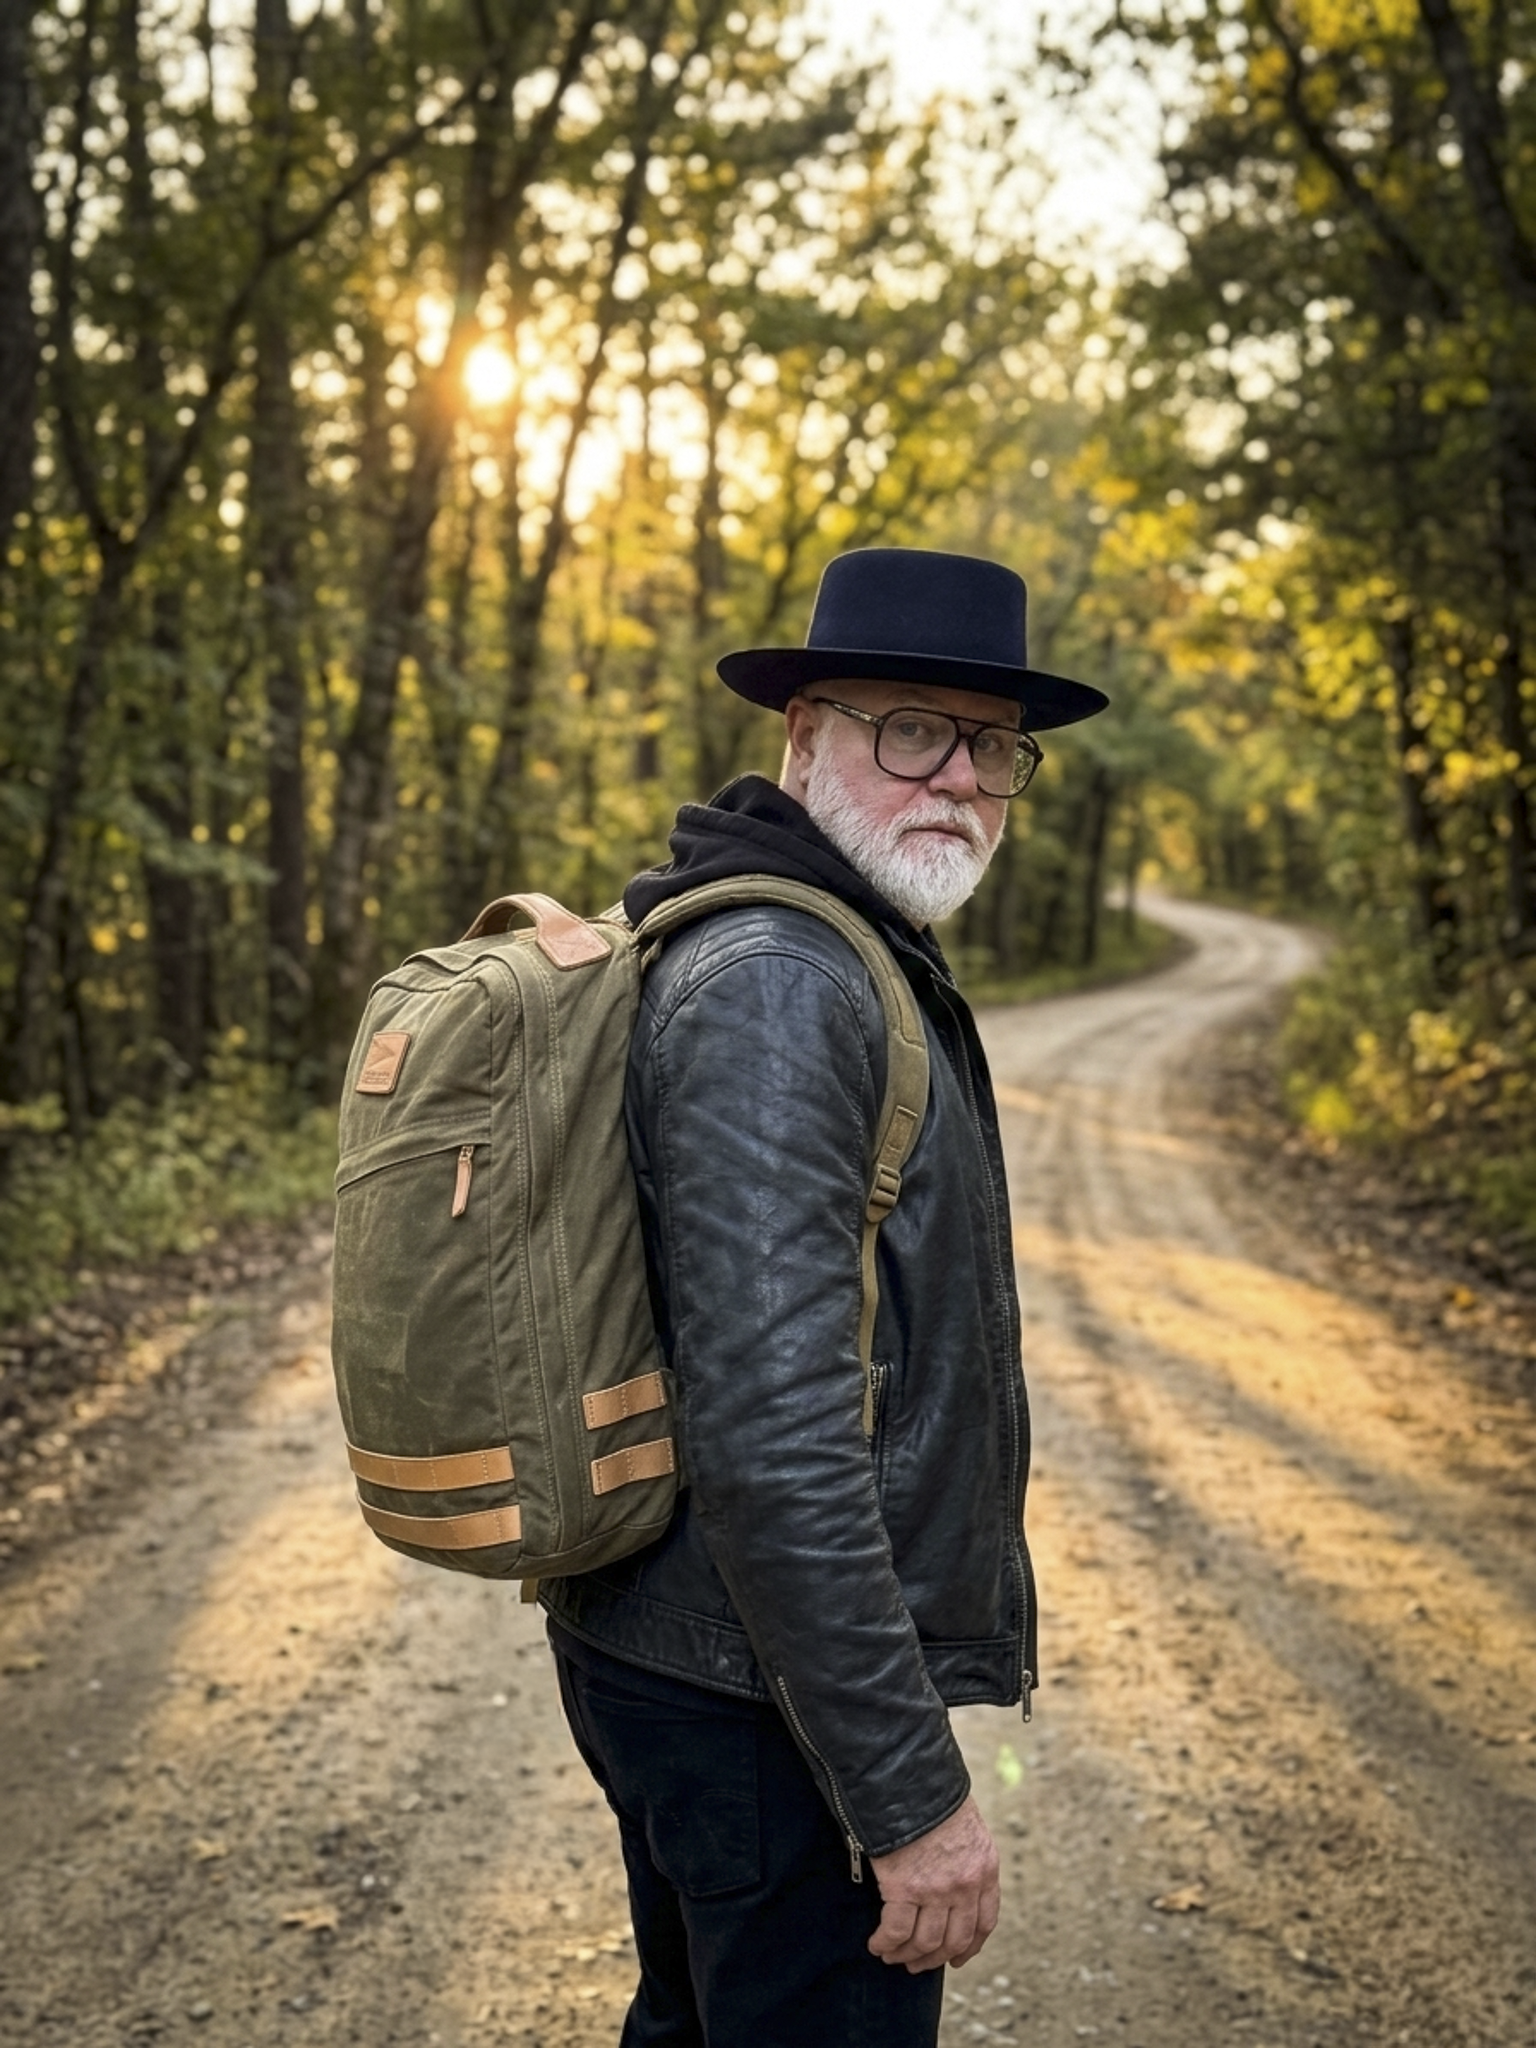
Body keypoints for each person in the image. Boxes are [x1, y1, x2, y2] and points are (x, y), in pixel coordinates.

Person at [540, 547, 1108, 2046]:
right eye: (910, 728)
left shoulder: (825, 939)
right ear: (803, 738)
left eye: (992, 745)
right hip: (757, 1704)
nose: (962, 780)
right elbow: (778, 1437)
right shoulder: (786, 980)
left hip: (704, 1663)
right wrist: (909, 1794)